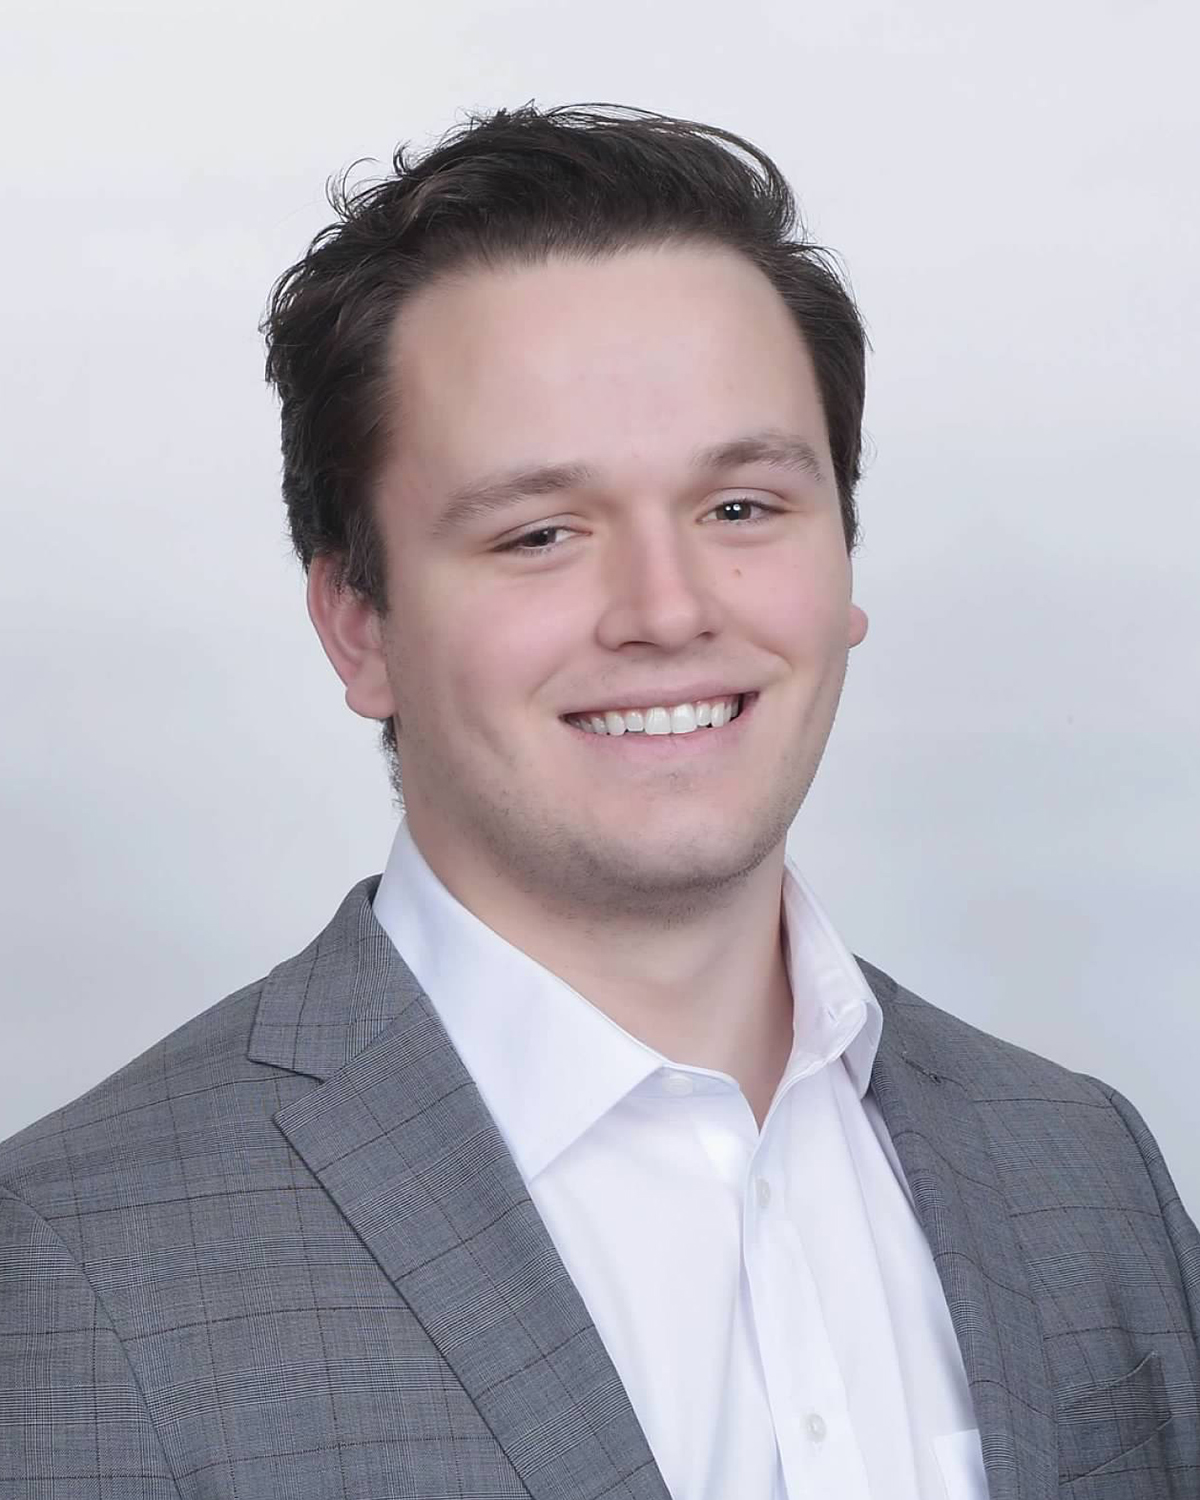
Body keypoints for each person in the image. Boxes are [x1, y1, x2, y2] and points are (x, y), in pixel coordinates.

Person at [0, 103, 1195, 1500]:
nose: (667, 610)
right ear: (358, 626)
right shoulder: (78, 1270)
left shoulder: (1084, 1174)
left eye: (741, 508)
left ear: (843, 563)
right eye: (540, 533)